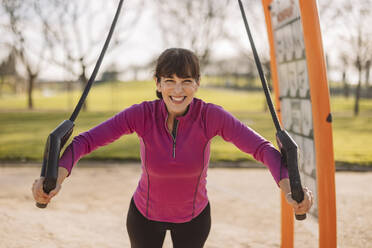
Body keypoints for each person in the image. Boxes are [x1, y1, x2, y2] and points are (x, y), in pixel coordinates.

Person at [32, 48, 313, 248]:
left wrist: (290, 189)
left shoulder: (210, 116)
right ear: (157, 84)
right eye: (170, 81)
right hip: (144, 217)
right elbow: (84, 141)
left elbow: (263, 149)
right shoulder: (141, 115)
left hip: (194, 219)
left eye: (186, 81)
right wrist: (55, 177)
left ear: (197, 84)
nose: (178, 90)